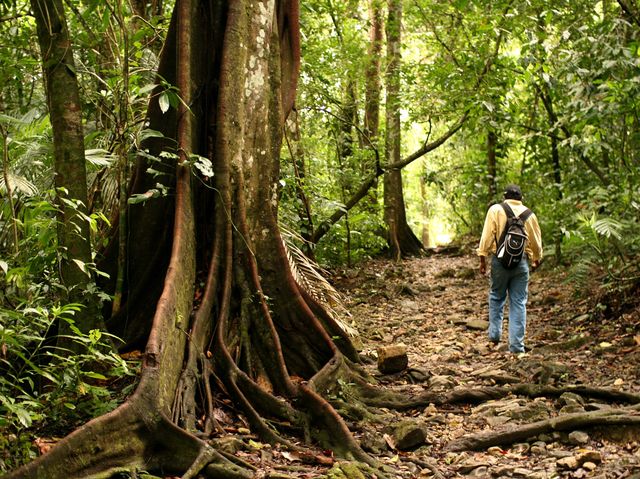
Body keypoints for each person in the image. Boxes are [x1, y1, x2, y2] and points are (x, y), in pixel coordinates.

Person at [477, 184, 543, 354]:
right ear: (521, 198)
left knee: (496, 297)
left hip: (499, 261)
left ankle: (494, 336)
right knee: (519, 303)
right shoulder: (530, 214)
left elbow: (486, 237)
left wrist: (482, 259)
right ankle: (516, 347)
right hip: (521, 263)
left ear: (505, 197)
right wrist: (536, 258)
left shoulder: (496, 210)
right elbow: (535, 240)